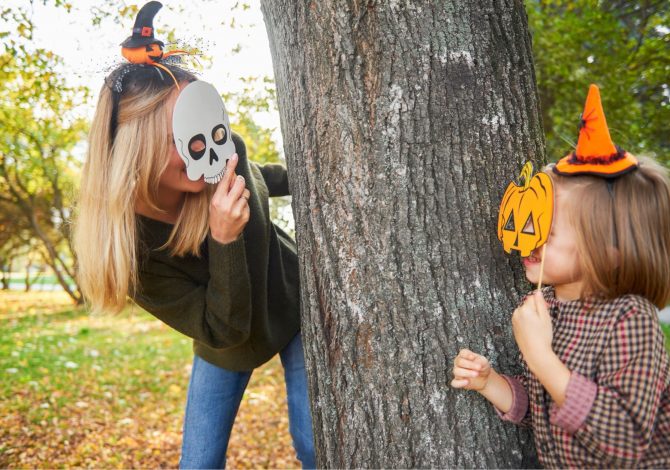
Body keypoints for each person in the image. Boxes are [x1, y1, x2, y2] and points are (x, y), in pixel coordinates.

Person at [73, 4, 315, 468]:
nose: (207, 147)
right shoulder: (129, 252)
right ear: (136, 145)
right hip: (227, 340)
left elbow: (260, 177)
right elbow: (223, 328)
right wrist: (224, 239)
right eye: (181, 138)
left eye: (208, 131)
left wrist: (309, 178)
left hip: (293, 302)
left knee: (313, 443)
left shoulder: (225, 153)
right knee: (199, 463)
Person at [450, 85, 670, 468]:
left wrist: (540, 356)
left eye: (547, 231)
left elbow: (627, 438)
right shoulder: (544, 306)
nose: (529, 239)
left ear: (607, 250)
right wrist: (492, 383)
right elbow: (548, 407)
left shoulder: (629, 318)